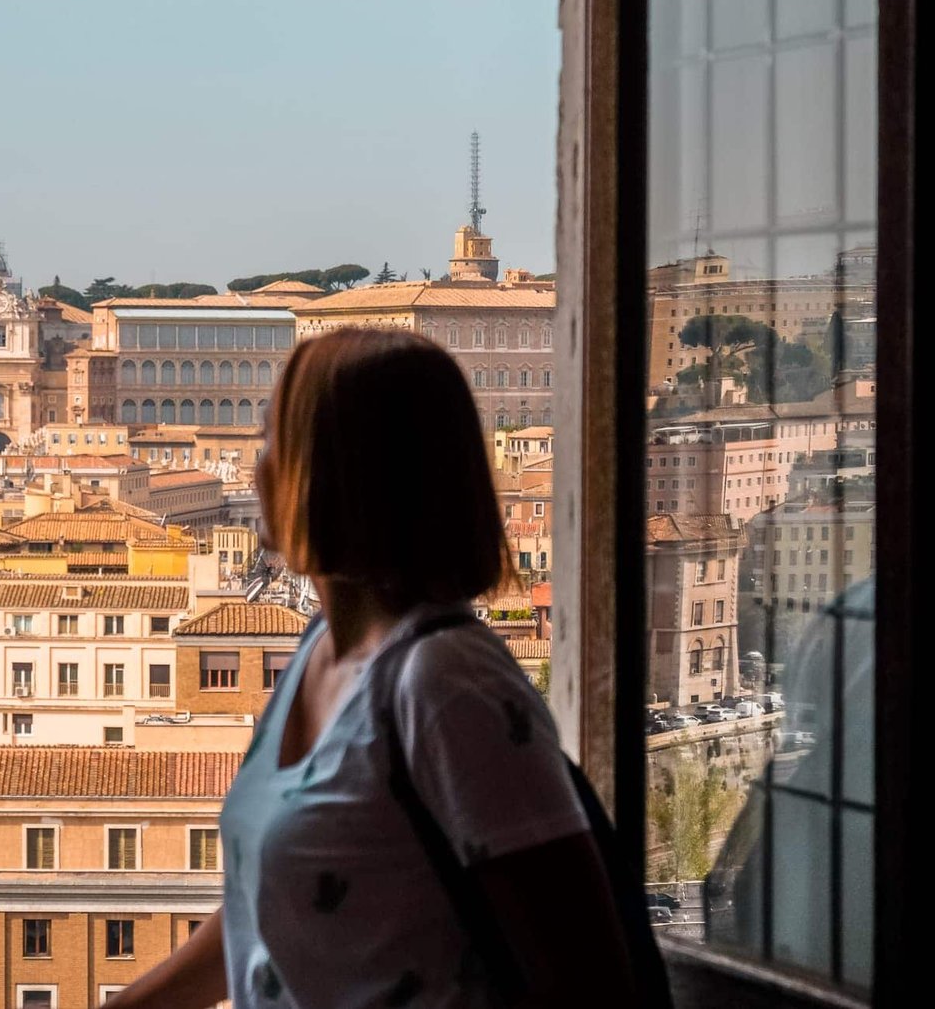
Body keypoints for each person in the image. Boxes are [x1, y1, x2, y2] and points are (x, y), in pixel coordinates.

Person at [107, 329, 636, 1007]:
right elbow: (264, 918)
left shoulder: (448, 684)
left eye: (272, 442)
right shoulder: (315, 650)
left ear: (341, 472)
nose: (255, 469)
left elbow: (590, 976)